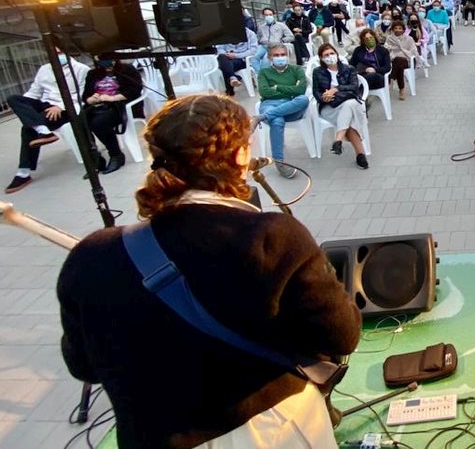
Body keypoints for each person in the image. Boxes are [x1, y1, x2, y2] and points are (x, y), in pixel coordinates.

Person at [58, 94, 361, 449]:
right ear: (239, 155)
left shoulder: (90, 254)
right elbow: (341, 336)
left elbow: (84, 366)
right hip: (265, 430)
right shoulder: (270, 236)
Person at [5, 49, 89, 193]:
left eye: (60, 52)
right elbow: (34, 92)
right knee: (14, 99)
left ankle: (23, 172)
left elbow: (81, 95)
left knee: (27, 128)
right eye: (54, 53)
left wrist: (60, 106)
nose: (57, 56)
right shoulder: (44, 69)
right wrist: (27, 108)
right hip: (46, 105)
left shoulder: (81, 69)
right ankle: (42, 129)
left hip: (68, 107)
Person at [254, 45, 310, 178]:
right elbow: (264, 91)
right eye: (276, 55)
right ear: (269, 57)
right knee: (277, 120)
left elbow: (300, 90)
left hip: (292, 106)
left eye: (283, 54)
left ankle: (260, 118)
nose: (280, 57)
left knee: (303, 99)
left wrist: (277, 87)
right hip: (270, 104)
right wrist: (290, 88)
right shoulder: (264, 72)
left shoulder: (297, 69)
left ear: (288, 55)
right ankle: (279, 162)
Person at [80, 57, 143, 175]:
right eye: (97, 56)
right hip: (97, 106)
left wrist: (112, 98)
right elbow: (85, 96)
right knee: (79, 123)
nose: (99, 58)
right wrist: (91, 99)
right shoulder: (93, 73)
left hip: (119, 106)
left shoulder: (126, 70)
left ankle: (116, 155)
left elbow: (135, 90)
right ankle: (95, 159)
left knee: (98, 123)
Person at [312, 44, 370, 170]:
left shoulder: (349, 69)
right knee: (350, 114)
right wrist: (323, 97)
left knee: (350, 105)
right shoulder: (318, 72)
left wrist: (335, 89)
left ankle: (339, 139)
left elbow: (354, 87)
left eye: (332, 53)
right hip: (329, 107)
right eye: (326, 55)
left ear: (337, 54)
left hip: (347, 103)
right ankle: (360, 154)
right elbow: (315, 91)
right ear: (321, 58)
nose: (330, 57)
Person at [216, 27, 258, 94]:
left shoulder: (250, 34)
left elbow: (253, 50)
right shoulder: (224, 33)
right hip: (227, 58)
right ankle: (233, 78)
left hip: (242, 59)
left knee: (224, 66)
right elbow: (219, 48)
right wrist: (227, 54)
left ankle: (230, 90)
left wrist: (236, 55)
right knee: (222, 58)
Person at [385, 20, 417, 101]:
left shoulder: (409, 39)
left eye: (400, 28)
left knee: (400, 60)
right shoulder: (389, 38)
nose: (398, 30)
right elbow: (387, 49)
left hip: (406, 59)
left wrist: (403, 51)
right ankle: (401, 90)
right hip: (393, 60)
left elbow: (413, 50)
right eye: (396, 28)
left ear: (403, 30)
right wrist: (393, 49)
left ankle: (391, 79)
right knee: (398, 64)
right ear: (392, 29)